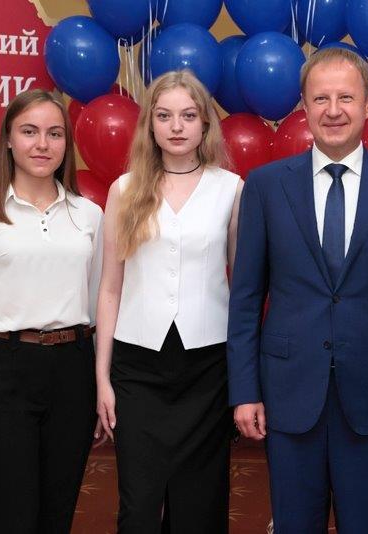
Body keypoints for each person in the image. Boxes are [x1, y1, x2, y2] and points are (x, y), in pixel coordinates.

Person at [227, 47, 368, 534]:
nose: (333, 110)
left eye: (346, 97)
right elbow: (246, 298)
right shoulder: (265, 186)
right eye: (321, 98)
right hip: (288, 391)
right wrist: (244, 391)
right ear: (304, 105)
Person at [94, 70, 242, 534]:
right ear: (150, 124)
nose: (176, 126)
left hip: (208, 367)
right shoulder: (124, 189)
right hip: (137, 366)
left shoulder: (231, 188)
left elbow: (242, 287)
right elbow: (110, 288)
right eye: (164, 116)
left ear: (205, 124)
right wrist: (102, 378)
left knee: (200, 504)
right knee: (139, 506)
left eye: (188, 116)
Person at [0, 89, 103, 533]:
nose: (42, 144)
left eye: (55, 134)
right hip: (4, 371)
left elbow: (98, 306)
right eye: (29, 132)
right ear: (9, 140)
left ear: (66, 144)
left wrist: (99, 386)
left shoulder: (89, 215)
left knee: (58, 513)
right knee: (10, 515)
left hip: (72, 372)